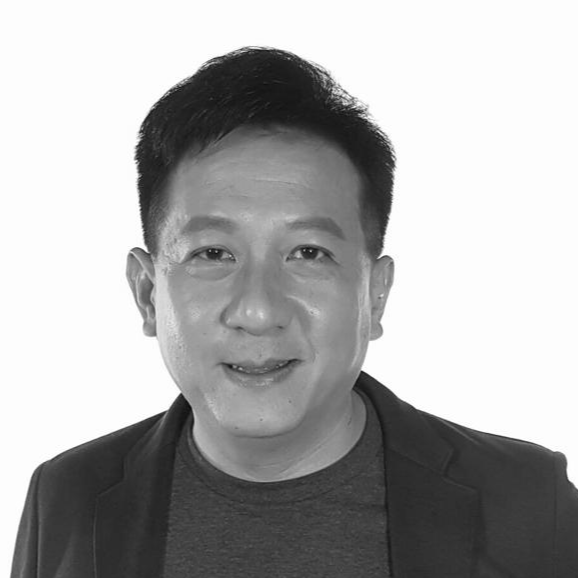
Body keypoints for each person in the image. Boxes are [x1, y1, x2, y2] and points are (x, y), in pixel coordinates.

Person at [11, 46, 578, 578]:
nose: (258, 312)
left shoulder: (530, 503)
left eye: (308, 253)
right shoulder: (66, 496)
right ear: (146, 292)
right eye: (213, 254)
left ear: (375, 293)